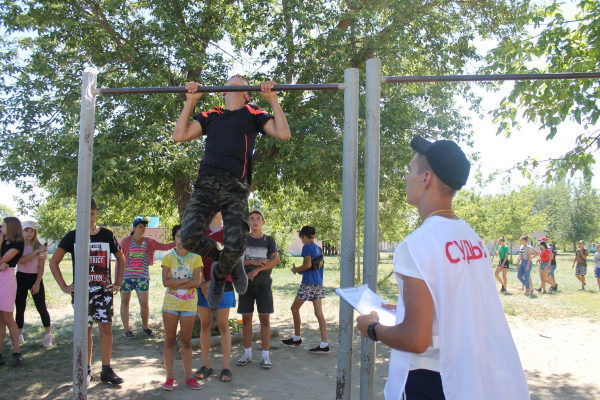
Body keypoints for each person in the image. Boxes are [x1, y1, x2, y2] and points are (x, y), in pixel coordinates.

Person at [355, 136, 529, 399]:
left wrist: (372, 328)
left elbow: (416, 339)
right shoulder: (471, 237)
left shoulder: (416, 244)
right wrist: (407, 306)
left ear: (426, 178)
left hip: (429, 381)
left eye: (409, 171)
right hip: (466, 376)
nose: (406, 178)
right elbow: (460, 301)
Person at [173, 74, 291, 307]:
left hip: (235, 187)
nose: (234, 80)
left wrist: (273, 99)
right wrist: (191, 101)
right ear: (223, 92)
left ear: (248, 95)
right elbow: (180, 135)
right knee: (188, 237)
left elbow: (283, 133)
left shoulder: (253, 112)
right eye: (230, 82)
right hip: (206, 185)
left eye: (241, 82)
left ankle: (219, 274)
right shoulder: (213, 114)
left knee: (236, 245)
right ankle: (229, 260)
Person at [49, 199, 126, 385]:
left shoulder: (107, 235)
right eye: (84, 214)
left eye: (91, 213)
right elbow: (54, 262)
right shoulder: (72, 236)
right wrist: (65, 286)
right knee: (86, 329)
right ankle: (86, 368)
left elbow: (121, 259)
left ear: (96, 213)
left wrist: (117, 283)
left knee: (106, 327)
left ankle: (107, 369)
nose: (89, 218)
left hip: (104, 291)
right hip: (83, 292)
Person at [160, 225, 203, 391]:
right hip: (170, 304)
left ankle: (188, 377)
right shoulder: (167, 258)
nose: (181, 240)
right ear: (174, 239)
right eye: (178, 236)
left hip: (189, 304)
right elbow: (165, 282)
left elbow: (197, 282)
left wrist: (175, 282)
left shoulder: (196, 258)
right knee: (169, 340)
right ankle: (169, 378)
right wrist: (188, 281)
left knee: (186, 342)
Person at [237, 209, 280, 369]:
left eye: (258, 218)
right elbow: (237, 261)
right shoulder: (243, 240)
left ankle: (265, 356)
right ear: (248, 222)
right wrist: (253, 263)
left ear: (263, 222)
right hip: (245, 285)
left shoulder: (269, 240)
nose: (255, 221)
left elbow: (276, 260)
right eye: (252, 218)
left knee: (265, 320)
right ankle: (247, 354)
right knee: (246, 320)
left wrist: (257, 270)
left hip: (264, 284)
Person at [195, 212, 235, 382]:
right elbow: (194, 258)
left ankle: (226, 367)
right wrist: (203, 282)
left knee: (223, 325)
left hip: (223, 284)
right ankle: (206, 365)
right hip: (202, 285)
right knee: (205, 325)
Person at [119, 217, 175, 339]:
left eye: (144, 226)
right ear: (134, 228)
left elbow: (164, 247)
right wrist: (117, 278)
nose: (143, 229)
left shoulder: (149, 242)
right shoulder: (126, 241)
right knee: (125, 302)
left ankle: (145, 327)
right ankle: (127, 330)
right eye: (140, 226)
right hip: (126, 276)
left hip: (142, 277)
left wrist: (178, 241)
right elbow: (119, 257)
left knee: (144, 303)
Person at [281, 226, 329, 354]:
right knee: (319, 314)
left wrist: (296, 269)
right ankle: (324, 344)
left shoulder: (307, 247)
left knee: (294, 308)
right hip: (318, 284)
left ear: (305, 236)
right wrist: (301, 270)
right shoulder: (318, 248)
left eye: (301, 237)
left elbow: (307, 264)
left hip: (308, 285)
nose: (301, 240)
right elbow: (313, 267)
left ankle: (296, 338)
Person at [15, 220, 52, 348]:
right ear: (22, 231)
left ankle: (48, 335)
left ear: (35, 232)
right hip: (21, 277)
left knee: (41, 307)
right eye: (26, 230)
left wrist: (36, 283)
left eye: (31, 230)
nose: (29, 233)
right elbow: (21, 261)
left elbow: (41, 267)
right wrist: (36, 251)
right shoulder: (19, 245)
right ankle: (19, 335)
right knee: (20, 307)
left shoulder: (40, 245)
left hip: (35, 277)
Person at [0, 217, 25, 367]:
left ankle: (17, 352)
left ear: (10, 227)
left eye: (3, 226)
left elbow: (2, 260)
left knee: (8, 318)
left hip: (7, 280)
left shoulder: (18, 243)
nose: (1, 229)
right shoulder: (4, 242)